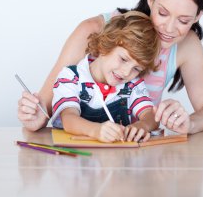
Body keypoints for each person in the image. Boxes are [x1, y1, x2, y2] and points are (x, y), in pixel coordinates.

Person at [18, 0, 203, 134]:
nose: (169, 29)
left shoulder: (187, 45)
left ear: (198, 16)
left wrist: (188, 122)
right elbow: (46, 105)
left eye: (183, 20)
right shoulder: (94, 30)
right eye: (162, 13)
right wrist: (35, 116)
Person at [51, 11, 160, 143]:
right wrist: (96, 131)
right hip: (76, 158)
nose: (126, 73)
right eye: (124, 59)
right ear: (105, 46)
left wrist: (142, 126)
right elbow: (69, 119)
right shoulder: (71, 77)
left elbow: (151, 116)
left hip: (118, 160)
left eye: (136, 68)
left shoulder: (133, 85)